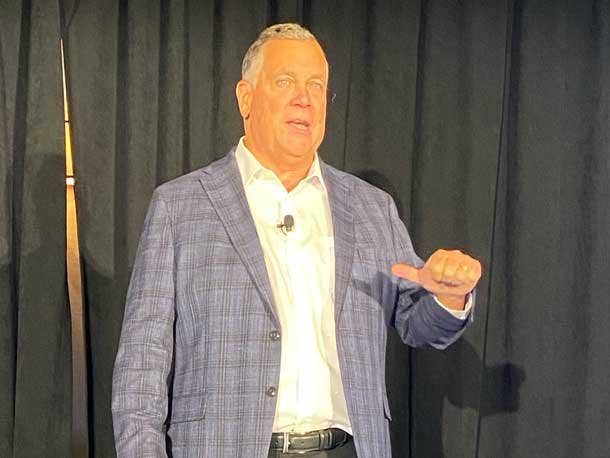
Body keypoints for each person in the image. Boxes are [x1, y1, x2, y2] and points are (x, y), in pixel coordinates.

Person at [111, 23, 481, 458]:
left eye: (316, 85)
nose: (304, 98)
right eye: (285, 81)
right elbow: (142, 365)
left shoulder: (370, 207)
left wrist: (449, 298)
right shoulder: (181, 207)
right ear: (245, 98)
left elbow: (417, 323)